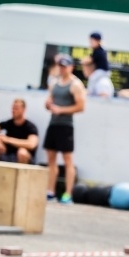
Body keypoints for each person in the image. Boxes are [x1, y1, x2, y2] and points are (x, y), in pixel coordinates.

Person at [44, 54, 86, 203]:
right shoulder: (54, 83)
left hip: (65, 125)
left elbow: (81, 106)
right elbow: (48, 101)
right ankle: (50, 191)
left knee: (68, 159)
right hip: (53, 124)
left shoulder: (75, 84)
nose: (62, 69)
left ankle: (68, 194)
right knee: (51, 158)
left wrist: (61, 110)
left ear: (71, 67)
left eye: (65, 66)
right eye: (60, 66)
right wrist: (49, 105)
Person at [0, 99, 39, 164]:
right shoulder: (8, 123)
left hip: (22, 158)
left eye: (16, 108)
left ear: (23, 109)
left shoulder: (30, 127)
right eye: (13, 108)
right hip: (7, 156)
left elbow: (31, 144)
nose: (13, 111)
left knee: (22, 153)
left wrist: (8, 140)